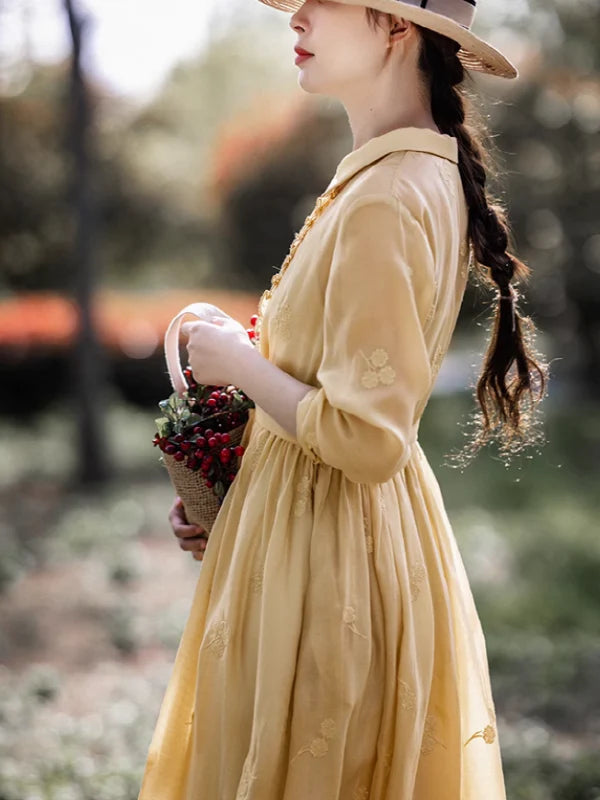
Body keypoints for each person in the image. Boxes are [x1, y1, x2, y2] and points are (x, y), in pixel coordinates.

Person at [138, 1, 547, 798]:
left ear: (395, 27)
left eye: (321, 2)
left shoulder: (388, 197)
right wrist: (231, 499)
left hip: (330, 564)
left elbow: (366, 436)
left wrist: (234, 360)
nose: (297, 18)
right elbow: (343, 390)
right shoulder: (394, 175)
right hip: (324, 534)